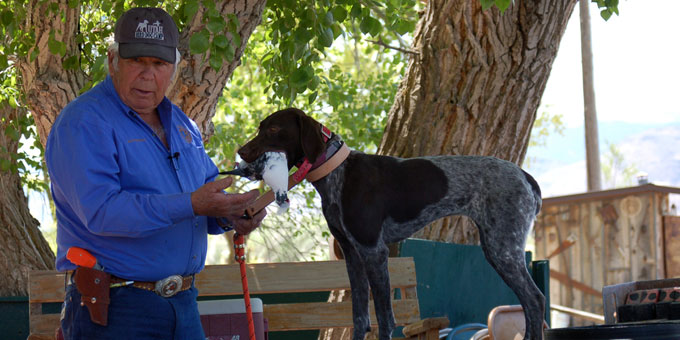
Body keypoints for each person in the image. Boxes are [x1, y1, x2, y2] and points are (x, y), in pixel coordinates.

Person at [45, 7, 266, 339]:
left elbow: (205, 198)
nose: (148, 75)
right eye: (137, 61)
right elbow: (103, 213)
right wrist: (192, 204)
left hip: (184, 304)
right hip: (116, 308)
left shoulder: (182, 124)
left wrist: (231, 215)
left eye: (159, 64)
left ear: (174, 69)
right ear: (112, 60)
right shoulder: (84, 122)